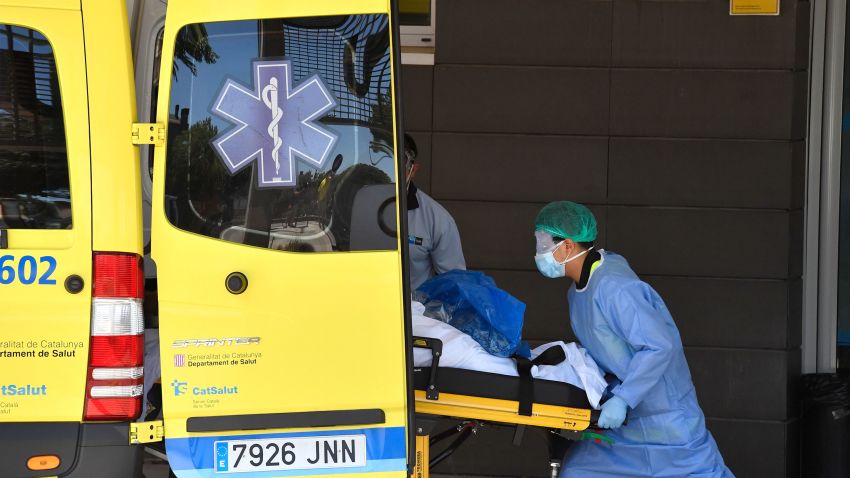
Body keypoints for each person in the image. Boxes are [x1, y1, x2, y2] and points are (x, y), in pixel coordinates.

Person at [533, 201, 733, 477]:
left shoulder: (614, 287)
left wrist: (624, 398)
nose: (539, 252)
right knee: (578, 471)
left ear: (567, 245)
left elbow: (659, 345)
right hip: (628, 425)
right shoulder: (578, 292)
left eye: (544, 243)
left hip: (668, 419)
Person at [405, 134, 466, 289]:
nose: (391, 170)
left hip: (412, 310)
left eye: (399, 162)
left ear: (413, 170)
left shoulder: (436, 219)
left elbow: (454, 282)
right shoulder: (352, 207)